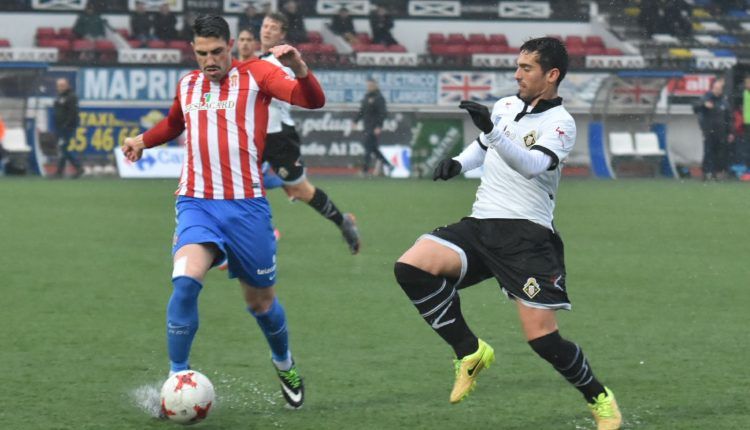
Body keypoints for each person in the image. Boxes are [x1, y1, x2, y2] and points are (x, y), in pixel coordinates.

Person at [393, 37, 622, 430]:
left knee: (543, 340)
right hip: (482, 225)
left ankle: (599, 398)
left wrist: (494, 133)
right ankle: (470, 351)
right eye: (517, 66)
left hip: (526, 237)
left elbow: (532, 165)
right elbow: (483, 146)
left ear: (551, 75)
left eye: (526, 68)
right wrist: (457, 162)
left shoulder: (560, 124)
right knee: (412, 267)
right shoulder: (505, 106)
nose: (517, 74)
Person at [120, 14, 326, 410]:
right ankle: (177, 378)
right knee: (184, 282)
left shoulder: (258, 75)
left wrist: (299, 68)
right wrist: (142, 141)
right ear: (193, 50)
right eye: (201, 53)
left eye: (216, 52)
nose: (209, 60)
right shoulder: (189, 84)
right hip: (196, 202)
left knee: (261, 304)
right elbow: (173, 124)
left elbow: (312, 100)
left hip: (247, 208)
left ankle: (284, 363)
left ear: (231, 46)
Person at [256, 12, 361, 255]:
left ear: (282, 34)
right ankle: (249, 237)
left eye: (274, 27)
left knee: (301, 190)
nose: (267, 30)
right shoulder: (259, 59)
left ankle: (341, 220)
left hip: (279, 137)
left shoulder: (281, 59)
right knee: (238, 183)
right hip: (256, 135)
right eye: (265, 25)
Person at [694, 76, 732, 180]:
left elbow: (728, 118)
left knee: (720, 154)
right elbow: (695, 107)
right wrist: (703, 105)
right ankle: (706, 173)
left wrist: (730, 132)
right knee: (708, 152)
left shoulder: (724, 102)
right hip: (709, 131)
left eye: (719, 89)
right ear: (712, 89)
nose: (717, 91)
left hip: (721, 132)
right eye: (715, 88)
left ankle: (718, 173)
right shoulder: (706, 98)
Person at [354, 77, 392, 176]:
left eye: (371, 85)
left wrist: (379, 126)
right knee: (373, 149)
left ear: (375, 85)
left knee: (368, 148)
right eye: (368, 85)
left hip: (373, 127)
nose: (369, 86)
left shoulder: (379, 98)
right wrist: (355, 121)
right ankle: (388, 165)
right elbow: (362, 111)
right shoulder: (366, 97)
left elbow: (382, 113)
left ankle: (365, 170)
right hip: (367, 126)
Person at [53, 78, 83, 178]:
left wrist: (66, 124)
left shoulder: (71, 96)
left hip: (68, 127)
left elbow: (73, 113)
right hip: (60, 127)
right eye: (58, 86)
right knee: (62, 148)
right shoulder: (59, 97)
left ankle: (78, 167)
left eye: (62, 85)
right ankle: (59, 172)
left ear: (67, 85)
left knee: (63, 148)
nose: (60, 88)